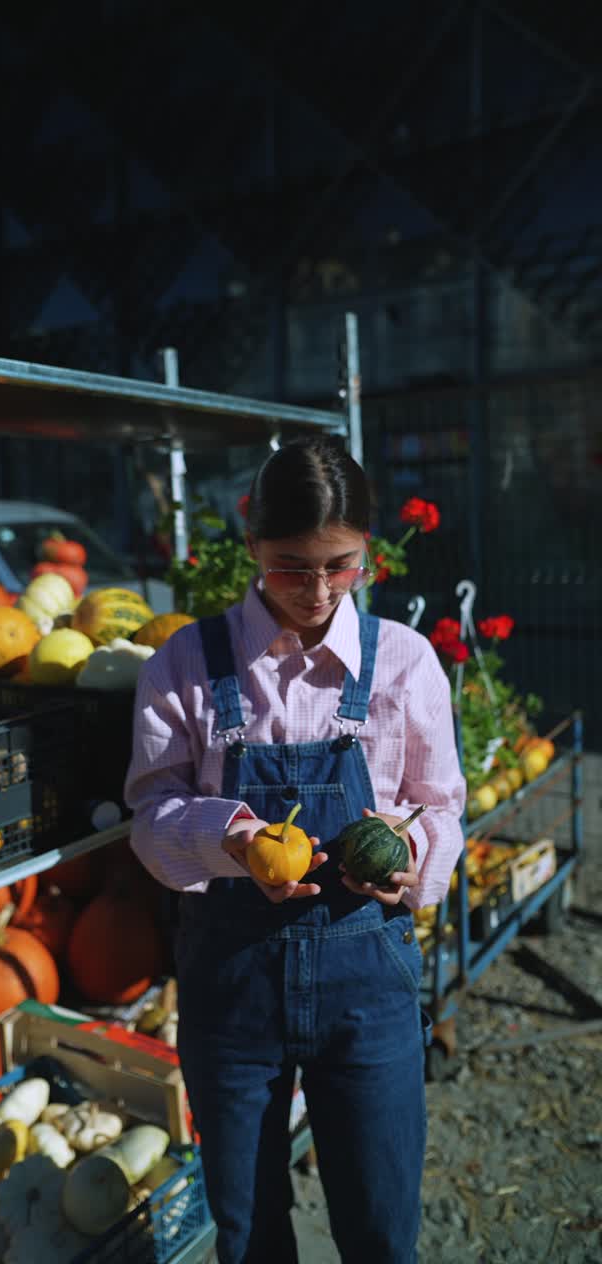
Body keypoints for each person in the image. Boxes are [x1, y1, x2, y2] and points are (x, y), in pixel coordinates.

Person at [125, 435, 466, 1264]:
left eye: (340, 566)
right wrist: (231, 839)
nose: (317, 591)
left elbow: (442, 806)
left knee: (383, 1230)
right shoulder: (187, 664)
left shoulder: (405, 664)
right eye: (291, 567)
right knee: (247, 1235)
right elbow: (150, 809)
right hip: (231, 991)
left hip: (369, 991)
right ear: (252, 549)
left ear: (367, 553)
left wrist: (414, 858)